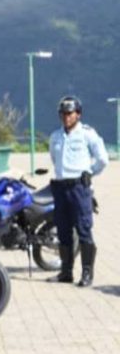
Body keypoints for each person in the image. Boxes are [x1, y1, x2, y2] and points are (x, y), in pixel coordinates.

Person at [47, 95, 109, 287]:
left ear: (78, 114)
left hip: (79, 188)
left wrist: (89, 173)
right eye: (63, 113)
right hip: (60, 187)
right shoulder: (55, 136)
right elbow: (54, 158)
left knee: (83, 229)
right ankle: (66, 272)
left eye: (70, 113)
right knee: (63, 231)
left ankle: (87, 274)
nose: (66, 117)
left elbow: (103, 159)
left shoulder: (87, 134)